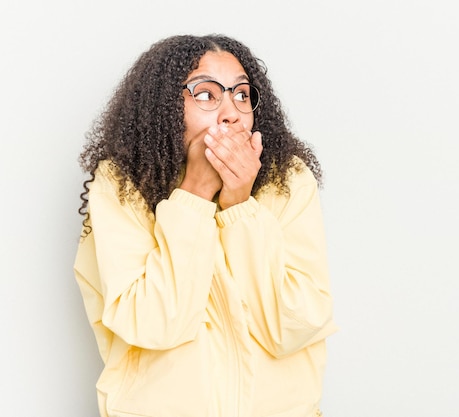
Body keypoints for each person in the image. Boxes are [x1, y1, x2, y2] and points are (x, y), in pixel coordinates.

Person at [73, 34, 337, 417]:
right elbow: (153, 324)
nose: (231, 113)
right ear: (163, 105)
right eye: (206, 95)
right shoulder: (120, 185)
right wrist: (195, 193)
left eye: (242, 95)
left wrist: (239, 207)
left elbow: (295, 325)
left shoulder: (288, 180)